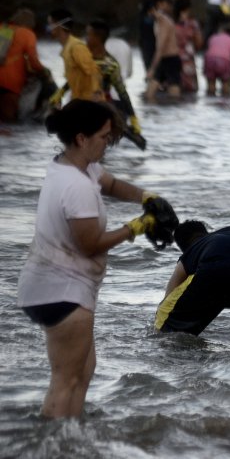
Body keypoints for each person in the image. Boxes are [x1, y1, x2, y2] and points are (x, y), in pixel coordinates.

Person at [17, 100, 176, 418]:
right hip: (61, 291)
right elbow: (90, 244)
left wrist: (147, 196)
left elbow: (113, 184)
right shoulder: (77, 187)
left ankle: (73, 443)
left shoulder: (72, 166)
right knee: (66, 380)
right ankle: (52, 444)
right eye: (103, 137)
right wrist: (136, 226)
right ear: (81, 138)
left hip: (51, 286)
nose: (108, 143)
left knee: (84, 371)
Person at [85, 20, 142, 145]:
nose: (86, 38)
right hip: (115, 105)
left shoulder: (85, 55)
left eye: (88, 35)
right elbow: (128, 76)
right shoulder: (124, 47)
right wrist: (133, 119)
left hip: (97, 105)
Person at [47, 10, 102, 106]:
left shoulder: (76, 47)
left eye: (50, 24)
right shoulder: (67, 48)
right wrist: (60, 93)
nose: (48, 27)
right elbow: (76, 76)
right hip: (77, 100)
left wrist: (96, 95)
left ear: (58, 26)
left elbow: (94, 71)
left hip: (88, 103)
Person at [0, 8, 47, 123]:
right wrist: (44, 72)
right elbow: (33, 60)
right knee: (8, 122)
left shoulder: (2, 29)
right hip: (10, 83)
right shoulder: (27, 34)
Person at [145, 0, 182, 102]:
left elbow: (160, 47)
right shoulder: (160, 21)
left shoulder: (164, 22)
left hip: (171, 60)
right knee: (150, 94)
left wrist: (152, 68)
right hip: (166, 59)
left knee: (173, 95)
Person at [203, 24, 230, 97]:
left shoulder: (213, 37)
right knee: (226, 85)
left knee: (211, 85)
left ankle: (209, 104)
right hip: (224, 61)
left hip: (209, 59)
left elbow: (208, 49)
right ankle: (224, 105)